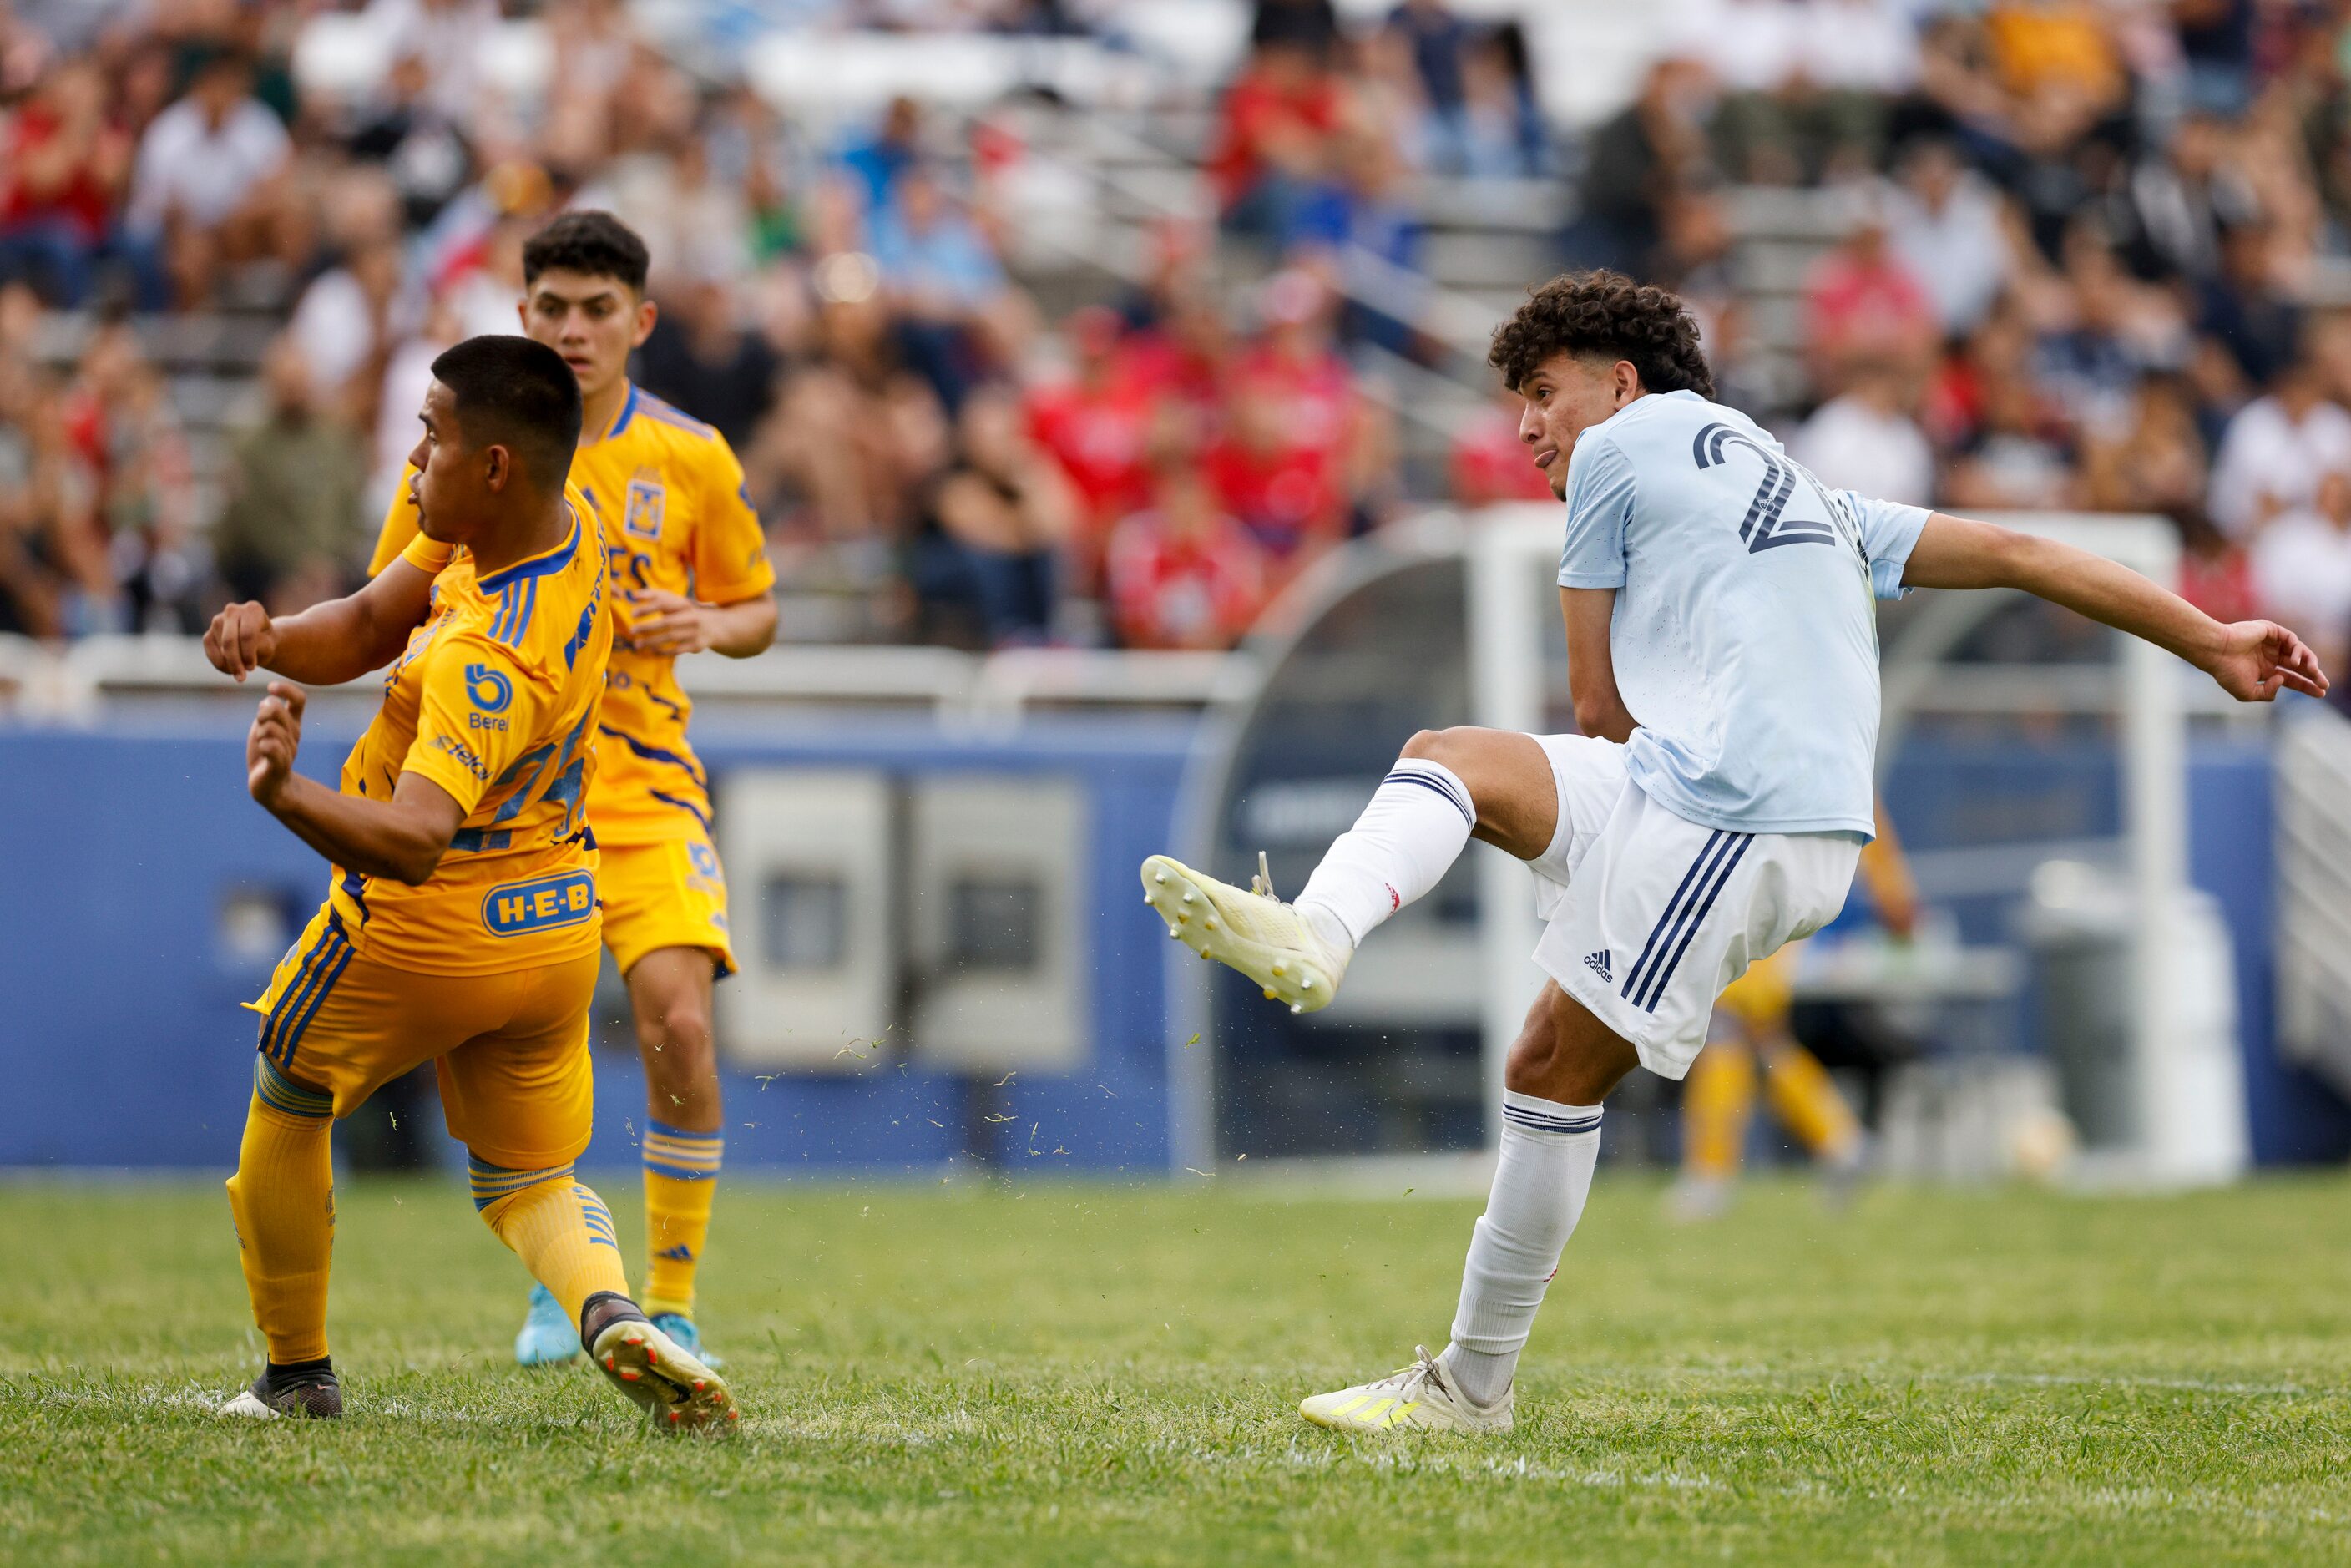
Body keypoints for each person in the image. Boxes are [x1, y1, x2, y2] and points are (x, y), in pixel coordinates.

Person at [1140, 270, 2327, 1434]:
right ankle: (1319, 929)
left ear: (1618, 384)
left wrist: (1616, 794)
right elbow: (2023, 551)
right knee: (1451, 758)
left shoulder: (1613, 454)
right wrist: (2211, 636)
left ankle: (1470, 1390)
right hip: (1712, 790)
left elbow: (1596, 703)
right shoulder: (1811, 489)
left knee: (1551, 1069)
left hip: (1738, 811)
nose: (1525, 425)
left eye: (1542, 392)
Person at [202, 334, 736, 1428]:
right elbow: (361, 622)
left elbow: (412, 836)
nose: (413, 461)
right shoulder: (556, 526)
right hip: (550, 930)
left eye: (432, 438)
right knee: (529, 1177)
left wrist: (284, 793)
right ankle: (609, 1312)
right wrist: (269, 638)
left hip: (421, 929)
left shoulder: (487, 654)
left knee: (289, 1092)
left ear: (494, 466)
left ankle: (295, 1375)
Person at [368, 213, 779, 1368]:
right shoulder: (464, 448)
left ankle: (677, 1297)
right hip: (503, 802)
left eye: (598, 308)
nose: (573, 328)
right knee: (523, 1054)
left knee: (680, 1024)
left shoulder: (690, 456)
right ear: (522, 313)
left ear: (641, 321)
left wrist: (706, 620)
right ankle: (567, 1275)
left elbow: (760, 607)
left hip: (644, 792)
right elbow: (390, 598)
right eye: (551, 306)